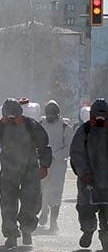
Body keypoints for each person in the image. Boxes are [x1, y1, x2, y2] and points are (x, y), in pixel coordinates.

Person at [0, 98, 52, 248]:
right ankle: (11, 234)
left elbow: (44, 145)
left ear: (20, 114)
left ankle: (27, 230)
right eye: (8, 117)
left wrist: (44, 165)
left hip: (30, 169)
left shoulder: (30, 125)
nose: (12, 121)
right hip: (9, 170)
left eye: (15, 117)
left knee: (31, 202)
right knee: (8, 204)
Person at [69, 98, 108, 250]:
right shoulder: (84, 131)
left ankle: (105, 236)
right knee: (85, 208)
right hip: (88, 180)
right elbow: (76, 153)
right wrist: (84, 172)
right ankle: (88, 231)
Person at [38, 100, 73, 233]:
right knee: (43, 190)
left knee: (56, 192)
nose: (50, 116)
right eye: (49, 114)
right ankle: (43, 212)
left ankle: (53, 223)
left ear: (58, 114)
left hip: (58, 165)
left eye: (53, 114)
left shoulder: (65, 128)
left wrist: (55, 155)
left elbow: (69, 147)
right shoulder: (40, 125)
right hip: (42, 164)